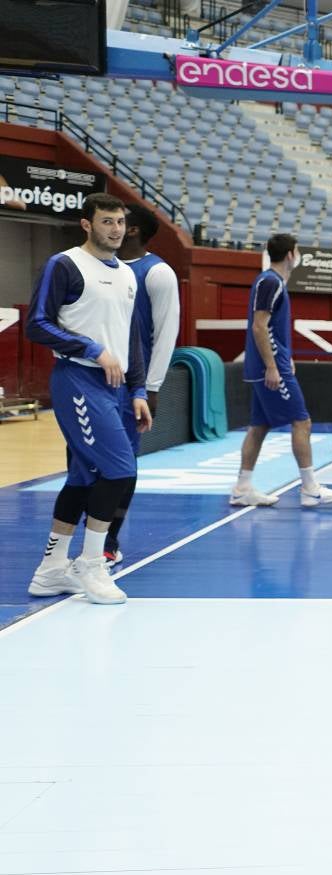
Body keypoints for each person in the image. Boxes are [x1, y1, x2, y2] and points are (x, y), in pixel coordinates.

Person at [25, 193, 150, 603]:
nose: (115, 229)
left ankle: (50, 570)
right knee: (119, 470)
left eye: (119, 222)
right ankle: (91, 564)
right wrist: (91, 348)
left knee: (82, 477)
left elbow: (130, 340)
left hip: (116, 389)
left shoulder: (129, 275)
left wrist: (137, 390)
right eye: (106, 221)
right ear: (87, 224)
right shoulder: (65, 265)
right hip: (79, 380)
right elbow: (37, 324)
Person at [229, 234, 332, 509]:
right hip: (269, 367)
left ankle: (242, 488)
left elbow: (271, 330)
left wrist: (286, 356)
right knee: (301, 421)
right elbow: (260, 326)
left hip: (273, 363)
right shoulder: (271, 281)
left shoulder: (272, 281)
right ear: (291, 254)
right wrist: (273, 365)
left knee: (259, 426)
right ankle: (310, 489)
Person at [102, 202, 180, 567]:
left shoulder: (157, 273)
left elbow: (166, 334)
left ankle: (109, 539)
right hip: (91, 379)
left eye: (121, 221)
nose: (114, 226)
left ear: (131, 230)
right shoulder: (97, 266)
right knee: (86, 463)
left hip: (131, 387)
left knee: (122, 463)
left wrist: (152, 387)